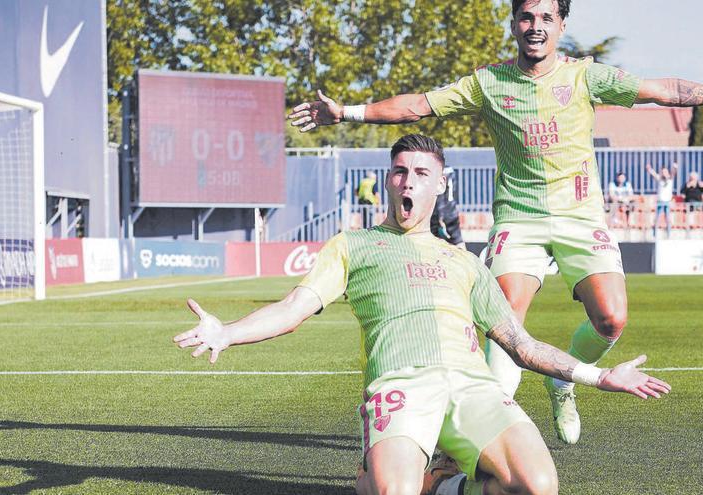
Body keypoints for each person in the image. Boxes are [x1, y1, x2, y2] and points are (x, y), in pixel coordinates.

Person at [288, 0, 703, 444]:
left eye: (546, 17)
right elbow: (419, 105)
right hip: (518, 220)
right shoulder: (489, 82)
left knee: (612, 319)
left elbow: (662, 90)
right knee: (506, 318)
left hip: (580, 215)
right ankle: (487, 426)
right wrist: (346, 112)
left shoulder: (585, 76)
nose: (535, 26)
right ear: (514, 23)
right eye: (527, 16)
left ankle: (562, 378)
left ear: (561, 24)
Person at [173, 134, 671, 495]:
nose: (407, 182)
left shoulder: (465, 263)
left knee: (537, 487)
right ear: (389, 180)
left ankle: (446, 485)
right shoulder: (354, 246)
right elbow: (292, 309)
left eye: (421, 173)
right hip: (402, 386)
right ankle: (392, 476)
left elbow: (522, 346)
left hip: (474, 388)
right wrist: (227, 332)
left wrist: (598, 375)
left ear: (441, 185)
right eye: (400, 171)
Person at [430, 165, 465, 248]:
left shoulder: (439, 173)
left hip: (443, 213)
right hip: (450, 211)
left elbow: (441, 200)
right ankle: (466, 259)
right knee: (457, 240)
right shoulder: (449, 171)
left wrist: (440, 215)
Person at [647, 163, 678, 238]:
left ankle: (668, 234)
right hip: (660, 202)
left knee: (667, 218)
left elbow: (674, 172)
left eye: (665, 172)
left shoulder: (670, 179)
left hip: (667, 202)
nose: (664, 173)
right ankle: (654, 234)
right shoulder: (660, 179)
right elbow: (653, 174)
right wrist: (649, 169)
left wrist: (675, 167)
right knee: (657, 218)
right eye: (663, 172)